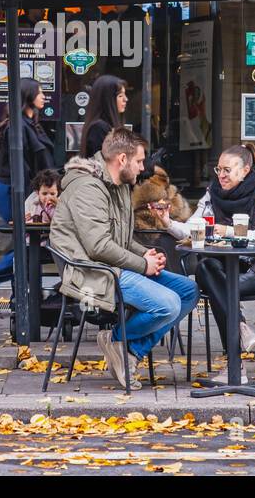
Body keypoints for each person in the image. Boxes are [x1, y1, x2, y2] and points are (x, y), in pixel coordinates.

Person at [51, 128, 198, 390]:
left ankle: (128, 352)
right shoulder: (88, 189)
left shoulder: (118, 185)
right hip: (93, 271)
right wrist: (143, 264)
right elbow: (98, 246)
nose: (143, 168)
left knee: (188, 291)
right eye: (139, 161)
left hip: (115, 266)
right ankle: (116, 338)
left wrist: (144, 253)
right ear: (122, 159)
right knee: (169, 304)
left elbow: (120, 238)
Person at [153, 143, 255, 373]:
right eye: (218, 169)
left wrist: (228, 231)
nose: (221, 175)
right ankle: (240, 330)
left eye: (227, 170)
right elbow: (193, 228)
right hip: (222, 269)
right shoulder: (212, 195)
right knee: (205, 269)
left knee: (219, 287)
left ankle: (235, 365)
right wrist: (167, 222)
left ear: (245, 170)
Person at [0, 78, 56, 310]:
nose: (44, 96)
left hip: (25, 191)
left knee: (31, 240)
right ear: (28, 96)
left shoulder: (29, 124)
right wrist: (34, 197)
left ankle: (30, 288)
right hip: (13, 192)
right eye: (40, 92)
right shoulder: (17, 127)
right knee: (28, 241)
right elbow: (24, 166)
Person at [80, 74, 127, 158]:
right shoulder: (99, 128)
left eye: (124, 95)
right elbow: (102, 163)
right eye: (120, 96)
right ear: (107, 99)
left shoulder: (108, 126)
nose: (125, 99)